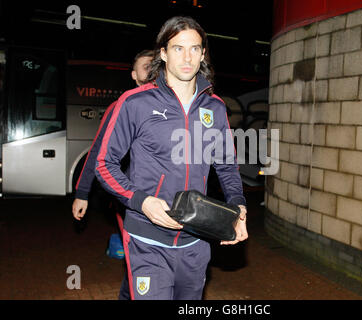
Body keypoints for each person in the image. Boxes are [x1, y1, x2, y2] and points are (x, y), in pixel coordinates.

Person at [95, 16, 248, 300]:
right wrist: (143, 201)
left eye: (194, 48)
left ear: (203, 54)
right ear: (163, 53)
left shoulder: (214, 108)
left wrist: (238, 207)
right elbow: (104, 164)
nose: (187, 57)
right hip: (146, 239)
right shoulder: (135, 102)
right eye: (178, 48)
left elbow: (227, 167)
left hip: (197, 239)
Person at [72, 49, 155, 300]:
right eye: (145, 66)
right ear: (133, 75)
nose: (151, 70)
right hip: (129, 200)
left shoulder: (173, 106)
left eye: (155, 65)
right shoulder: (122, 106)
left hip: (165, 199)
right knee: (139, 262)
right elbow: (97, 152)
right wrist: (82, 193)